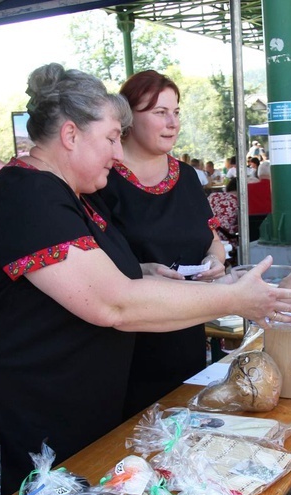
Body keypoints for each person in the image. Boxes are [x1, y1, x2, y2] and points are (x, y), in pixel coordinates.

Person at [0, 63, 291, 495]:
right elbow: (114, 305)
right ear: (70, 135)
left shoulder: (67, 194)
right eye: (110, 139)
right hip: (24, 423)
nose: (118, 153)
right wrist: (234, 299)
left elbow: (92, 280)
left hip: (68, 414)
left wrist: (140, 271)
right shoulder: (29, 197)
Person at [88, 70, 226, 418]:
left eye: (176, 112)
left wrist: (215, 260)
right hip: (126, 347)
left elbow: (212, 240)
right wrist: (139, 271)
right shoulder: (102, 181)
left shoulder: (188, 178)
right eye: (160, 112)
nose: (172, 122)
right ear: (129, 118)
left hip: (187, 335)